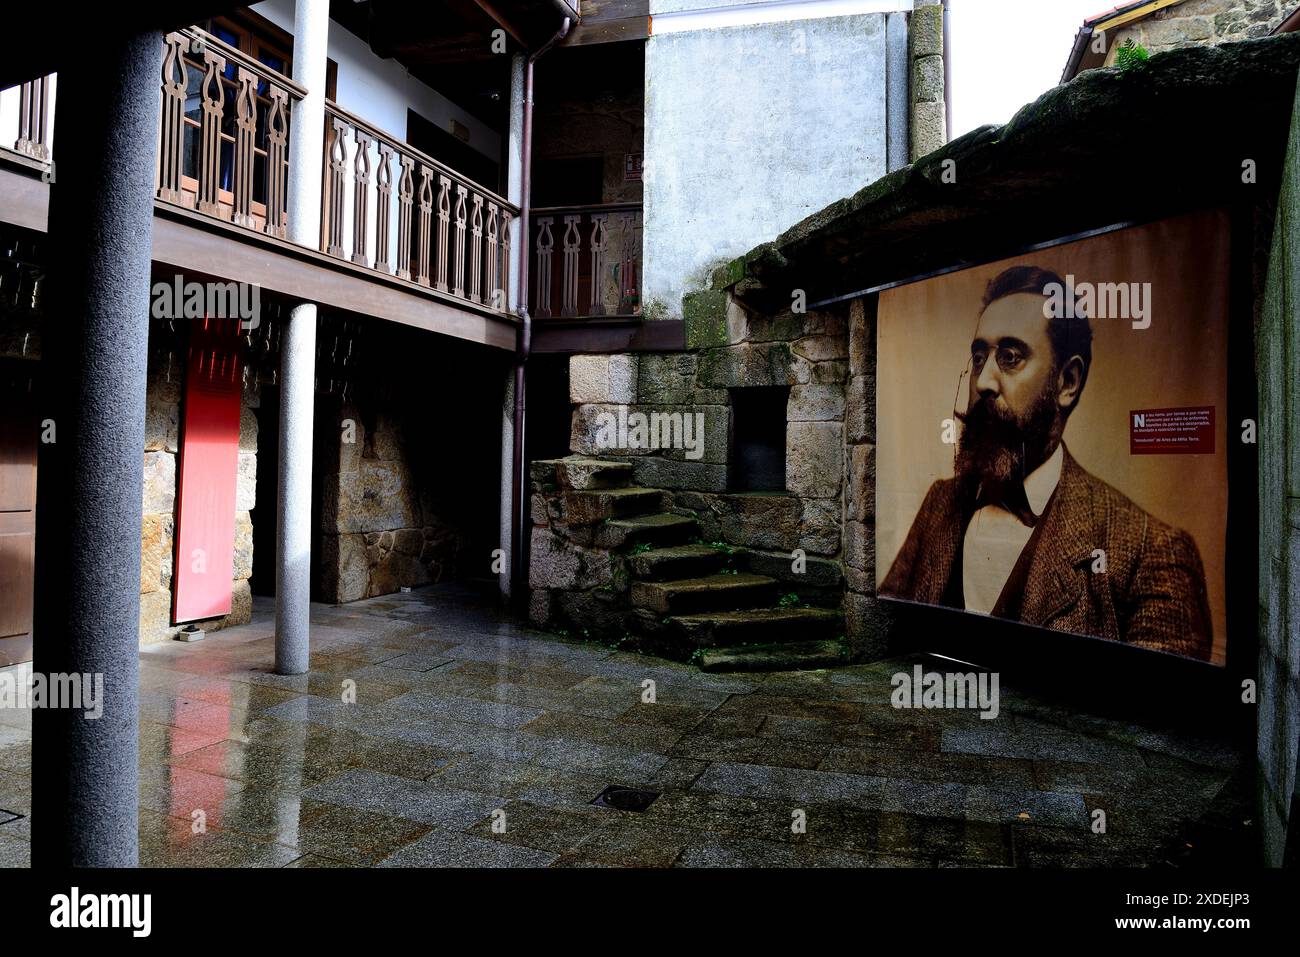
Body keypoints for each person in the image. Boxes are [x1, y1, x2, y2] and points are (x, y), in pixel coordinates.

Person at [880, 265, 1212, 660]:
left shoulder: (1152, 551)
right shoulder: (941, 503)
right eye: (979, 356)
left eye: (1010, 357)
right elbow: (891, 642)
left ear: (1067, 382)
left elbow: (1159, 711)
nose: (983, 381)